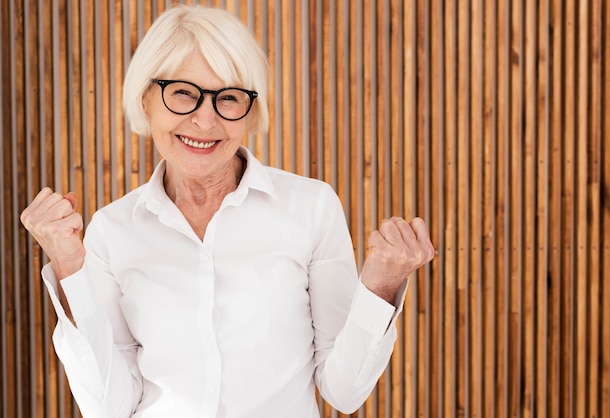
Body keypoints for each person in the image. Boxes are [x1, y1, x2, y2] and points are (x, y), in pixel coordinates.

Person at [20, 5, 435, 418]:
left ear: (250, 112)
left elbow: (343, 391)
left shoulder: (311, 208)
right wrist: (68, 271)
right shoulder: (112, 229)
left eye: (229, 98)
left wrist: (383, 283)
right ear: (146, 101)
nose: (205, 120)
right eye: (182, 92)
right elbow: (108, 406)